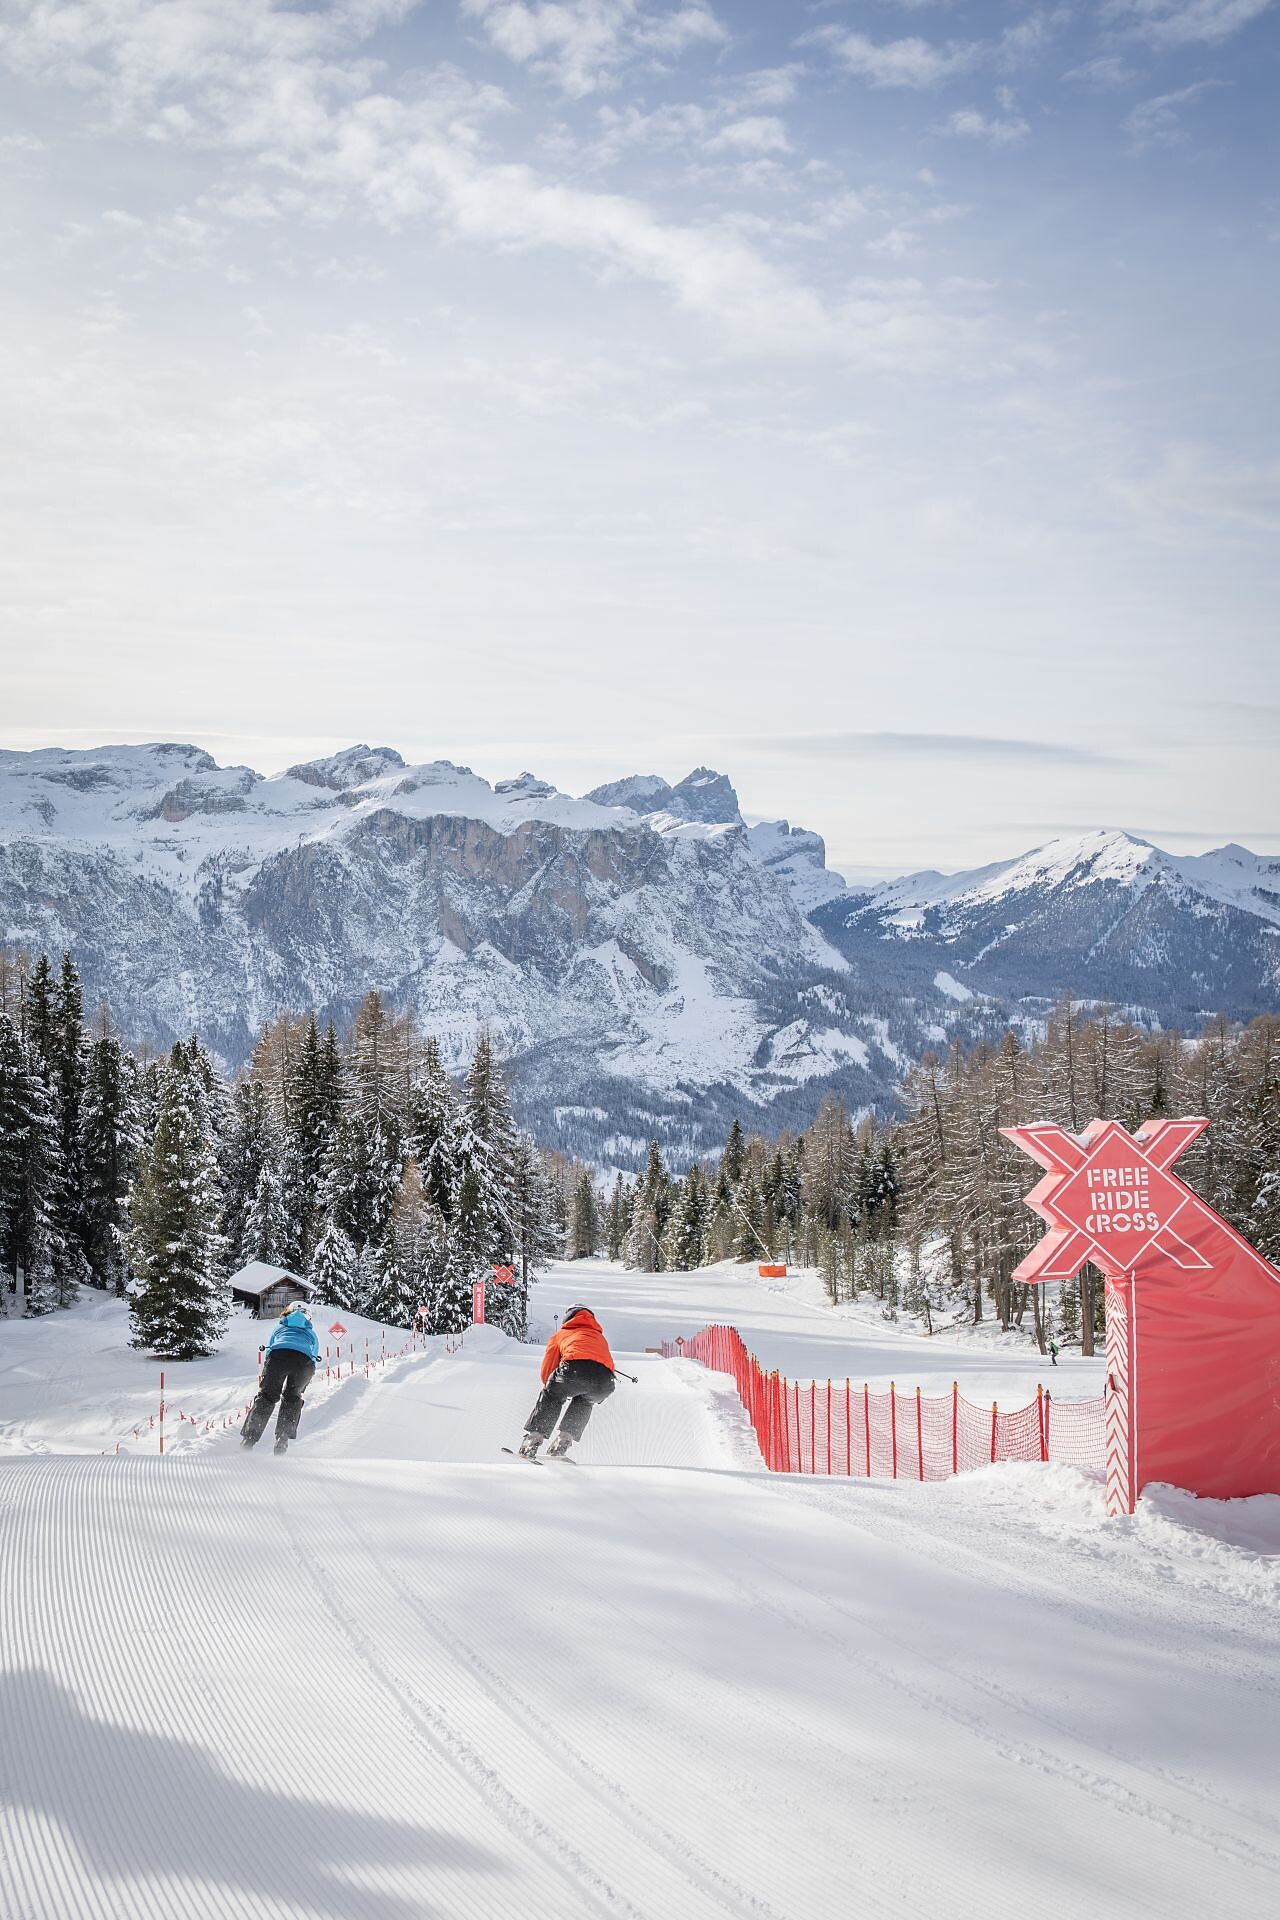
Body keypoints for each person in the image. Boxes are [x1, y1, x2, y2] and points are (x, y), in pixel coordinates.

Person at [518, 1304, 615, 1459]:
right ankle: (563, 1441)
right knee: (585, 1401)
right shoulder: (599, 1337)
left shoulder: (561, 1334)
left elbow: (548, 1369)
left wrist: (555, 1388)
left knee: (552, 1396)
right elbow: (607, 1364)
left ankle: (533, 1440)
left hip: (573, 1371)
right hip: (604, 1382)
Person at [241, 1302, 321, 1455]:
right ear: (308, 1316)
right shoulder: (311, 1333)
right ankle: (282, 1440)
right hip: (303, 1363)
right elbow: (314, 1354)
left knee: (267, 1397)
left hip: (278, 1357)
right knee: (292, 1398)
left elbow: (271, 1347)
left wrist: (268, 1369)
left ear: (288, 1313)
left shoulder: (281, 1327)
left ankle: (248, 1440)